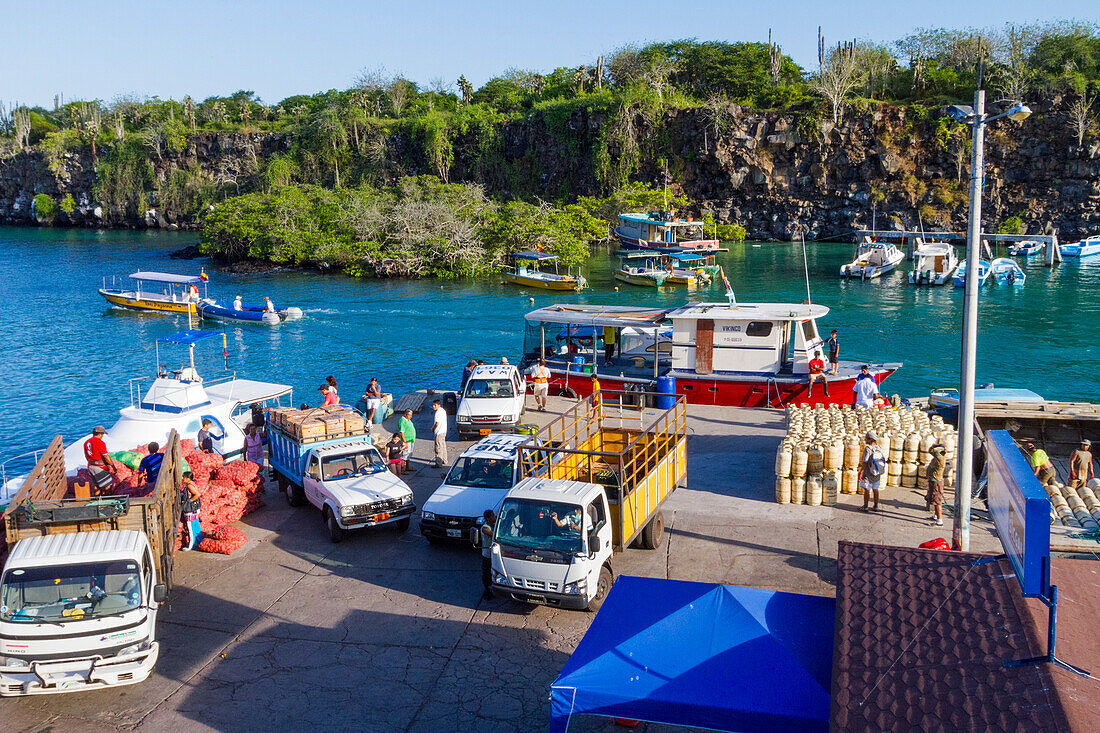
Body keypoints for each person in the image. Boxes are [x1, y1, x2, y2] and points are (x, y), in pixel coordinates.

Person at [858, 431, 886, 513]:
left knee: (867, 489)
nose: (865, 440)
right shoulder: (879, 447)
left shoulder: (868, 449)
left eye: (866, 438)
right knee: (875, 489)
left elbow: (865, 462)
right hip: (877, 472)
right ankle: (876, 506)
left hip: (869, 472)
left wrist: (861, 472)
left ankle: (866, 506)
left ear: (870, 440)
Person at [83, 425, 117, 491]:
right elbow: (106, 456)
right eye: (102, 435)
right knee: (108, 486)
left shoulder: (86, 442)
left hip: (90, 466)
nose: (102, 436)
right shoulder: (100, 443)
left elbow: (86, 456)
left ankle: (97, 499)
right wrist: (113, 466)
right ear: (100, 434)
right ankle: (106, 500)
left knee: (96, 486)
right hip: (100, 467)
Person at [925, 444, 946, 526]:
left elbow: (935, 450)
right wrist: (935, 446)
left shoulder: (940, 458)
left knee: (937, 501)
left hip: (937, 482)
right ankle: (936, 516)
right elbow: (930, 450)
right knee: (934, 499)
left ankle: (939, 521)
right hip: (933, 481)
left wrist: (939, 445)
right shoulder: (937, 458)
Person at [180, 471, 203, 551]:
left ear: (187, 478)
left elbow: (197, 494)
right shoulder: (193, 483)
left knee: (190, 528)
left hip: (190, 510)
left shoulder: (189, 486)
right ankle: (199, 541)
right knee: (196, 525)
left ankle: (191, 545)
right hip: (195, 509)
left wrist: (189, 501)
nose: (182, 479)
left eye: (183, 477)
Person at [479, 509, 496, 601]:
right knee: (486, 573)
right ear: (488, 518)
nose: (495, 517)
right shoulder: (485, 528)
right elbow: (494, 535)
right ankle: (487, 590)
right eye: (493, 516)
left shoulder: (494, 525)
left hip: (494, 555)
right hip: (487, 555)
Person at [397, 409, 416, 473]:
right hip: (406, 441)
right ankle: (402, 469)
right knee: (404, 455)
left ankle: (408, 467)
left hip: (411, 440)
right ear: (405, 415)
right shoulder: (402, 421)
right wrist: (404, 442)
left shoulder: (408, 420)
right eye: (409, 415)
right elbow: (401, 432)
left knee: (409, 454)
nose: (411, 417)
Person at [432, 399, 448, 468]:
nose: (433, 406)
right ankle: (444, 460)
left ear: (439, 405)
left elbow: (437, 423)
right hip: (443, 431)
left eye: (435, 405)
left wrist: (433, 428)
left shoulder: (437, 413)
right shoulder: (443, 411)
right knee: (443, 446)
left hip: (438, 432)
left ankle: (438, 463)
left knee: (438, 448)